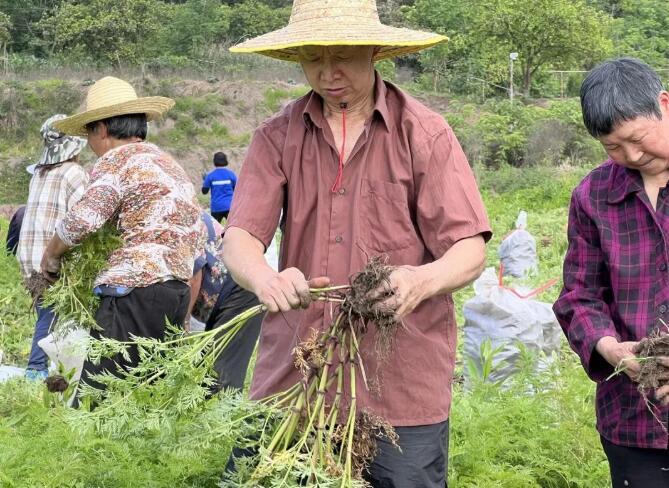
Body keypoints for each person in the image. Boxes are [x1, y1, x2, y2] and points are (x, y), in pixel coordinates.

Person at [223, 1, 491, 486]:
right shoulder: (276, 136)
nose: (328, 72)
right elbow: (240, 236)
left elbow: (470, 248)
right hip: (298, 374)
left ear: (374, 50)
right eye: (313, 58)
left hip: (400, 380)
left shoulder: (424, 133)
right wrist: (265, 278)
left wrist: (421, 279)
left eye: (343, 55)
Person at [41, 76, 203, 395]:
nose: (89, 142)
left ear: (101, 129)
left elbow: (84, 219)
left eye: (89, 131)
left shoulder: (116, 160)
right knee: (144, 395)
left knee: (100, 397)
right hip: (175, 292)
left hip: (136, 291)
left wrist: (52, 255)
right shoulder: (168, 164)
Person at [553, 58, 669, 488]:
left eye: (638, 139)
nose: (632, 155)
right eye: (613, 147)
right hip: (632, 420)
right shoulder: (593, 195)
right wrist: (609, 347)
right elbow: (579, 295)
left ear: (664, 104)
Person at [16, 115, 88, 380]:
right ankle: (35, 371)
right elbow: (84, 218)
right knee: (51, 315)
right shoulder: (74, 173)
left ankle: (56, 370)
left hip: (29, 258)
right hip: (52, 259)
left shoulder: (38, 172)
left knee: (49, 314)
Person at [187, 211, 263, 392]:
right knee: (204, 368)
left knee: (221, 375)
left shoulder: (174, 210)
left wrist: (184, 324)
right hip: (220, 292)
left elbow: (194, 274)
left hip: (240, 288)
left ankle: (221, 416)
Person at [202, 151, 237, 222]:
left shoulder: (210, 176)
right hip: (229, 206)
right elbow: (236, 189)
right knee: (230, 228)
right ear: (225, 161)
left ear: (214, 161)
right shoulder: (231, 174)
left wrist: (204, 180)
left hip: (216, 208)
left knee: (215, 230)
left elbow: (204, 191)